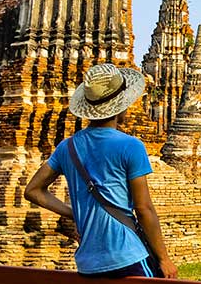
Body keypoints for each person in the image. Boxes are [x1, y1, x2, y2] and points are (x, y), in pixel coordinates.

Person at [25, 63, 179, 279]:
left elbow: (33, 190)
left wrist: (75, 213)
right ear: (121, 106)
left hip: (88, 263)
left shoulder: (66, 147)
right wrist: (164, 259)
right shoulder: (130, 146)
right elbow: (143, 209)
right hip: (127, 255)